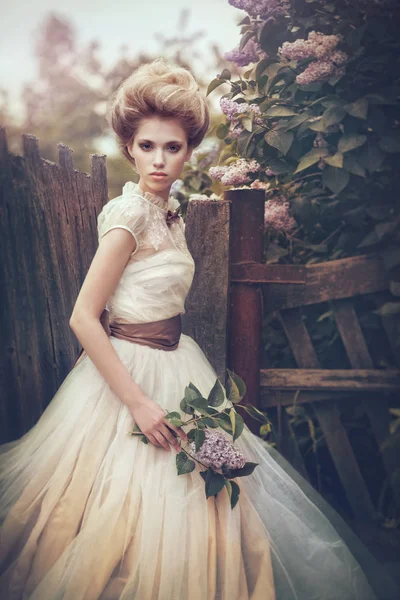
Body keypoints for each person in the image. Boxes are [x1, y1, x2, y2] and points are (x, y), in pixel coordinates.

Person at [0, 58, 398, 600]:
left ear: (189, 150)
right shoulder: (128, 215)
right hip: (128, 376)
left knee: (203, 494)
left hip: (178, 361)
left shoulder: (172, 214)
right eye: (147, 147)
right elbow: (81, 317)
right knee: (124, 508)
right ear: (128, 147)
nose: (159, 160)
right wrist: (139, 403)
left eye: (172, 147)